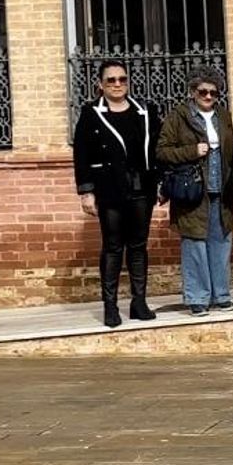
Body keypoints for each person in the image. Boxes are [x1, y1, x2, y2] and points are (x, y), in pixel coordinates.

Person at [72, 60, 162, 328]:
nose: (117, 84)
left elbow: (157, 149)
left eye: (122, 79)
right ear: (100, 84)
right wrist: (86, 192)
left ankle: (139, 301)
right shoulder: (91, 114)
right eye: (111, 80)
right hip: (110, 189)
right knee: (113, 246)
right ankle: (110, 306)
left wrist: (159, 182)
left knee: (138, 245)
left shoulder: (145, 111)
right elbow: (82, 155)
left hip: (141, 188)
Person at [156, 69, 233, 316]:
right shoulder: (178, 117)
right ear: (193, 92)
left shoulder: (223, 116)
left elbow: (231, 153)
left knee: (221, 243)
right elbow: (162, 151)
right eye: (203, 91)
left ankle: (221, 295)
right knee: (194, 245)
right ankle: (197, 298)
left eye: (213, 92)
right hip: (192, 191)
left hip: (220, 190)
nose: (208, 96)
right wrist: (192, 151)